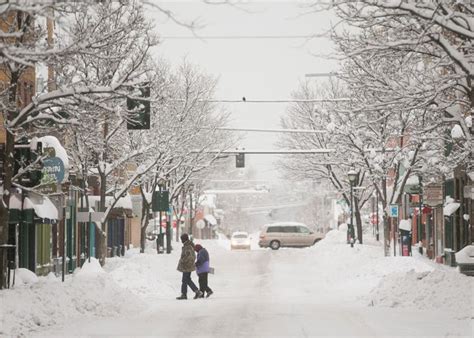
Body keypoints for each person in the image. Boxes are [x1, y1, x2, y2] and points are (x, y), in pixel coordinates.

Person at [176, 233, 203, 300]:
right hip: (187, 266)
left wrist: (183, 261)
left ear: (184, 239)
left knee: (185, 280)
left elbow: (191, 257)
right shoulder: (187, 245)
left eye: (181, 239)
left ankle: (191, 293)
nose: (181, 240)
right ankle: (191, 293)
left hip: (187, 266)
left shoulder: (188, 246)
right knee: (186, 280)